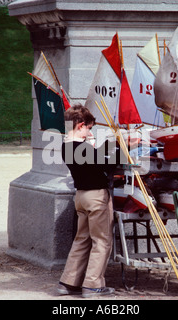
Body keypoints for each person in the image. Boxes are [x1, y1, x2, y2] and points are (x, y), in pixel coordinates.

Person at [57, 104, 122, 298]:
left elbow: (94, 161)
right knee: (101, 241)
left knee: (81, 240)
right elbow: (106, 164)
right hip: (95, 197)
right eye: (90, 128)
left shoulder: (66, 146)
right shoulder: (82, 147)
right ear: (81, 125)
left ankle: (68, 282)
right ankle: (93, 285)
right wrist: (121, 147)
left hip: (81, 196)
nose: (90, 132)